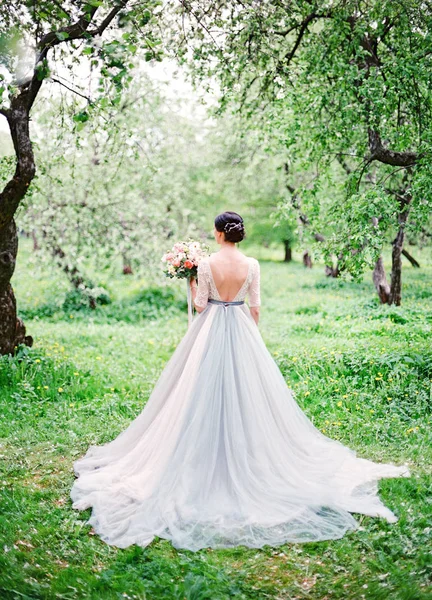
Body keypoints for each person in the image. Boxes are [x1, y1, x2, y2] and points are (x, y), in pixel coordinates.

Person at [70, 211, 410, 551]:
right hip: (241, 326)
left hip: (211, 329)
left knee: (197, 393)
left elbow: (201, 306)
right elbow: (256, 307)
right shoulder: (253, 265)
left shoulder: (205, 266)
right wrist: (248, 336)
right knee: (250, 396)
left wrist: (191, 283)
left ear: (219, 233)